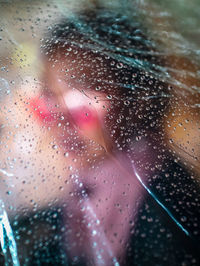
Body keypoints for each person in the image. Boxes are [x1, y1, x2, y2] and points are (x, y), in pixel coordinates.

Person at [0, 8, 199, 266]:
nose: (63, 117)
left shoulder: (168, 206)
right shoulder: (86, 188)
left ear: (136, 99)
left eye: (84, 87)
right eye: (50, 94)